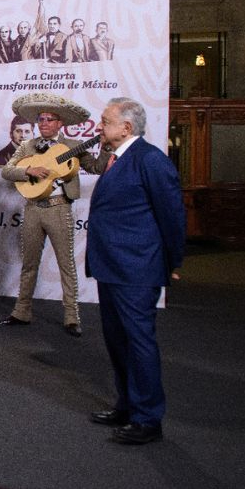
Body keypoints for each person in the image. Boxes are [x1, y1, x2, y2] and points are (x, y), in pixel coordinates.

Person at [87, 97, 184, 445]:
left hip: (137, 269)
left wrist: (173, 261)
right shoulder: (117, 158)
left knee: (139, 341)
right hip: (112, 267)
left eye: (105, 120)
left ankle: (148, 418)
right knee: (117, 341)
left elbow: (171, 216)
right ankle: (127, 404)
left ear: (126, 127)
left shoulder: (151, 160)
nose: (100, 126)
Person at [0, 94, 109, 337]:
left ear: (60, 124)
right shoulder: (27, 146)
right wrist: (28, 170)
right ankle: (21, 311)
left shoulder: (71, 146)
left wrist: (106, 145)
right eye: (41, 119)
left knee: (66, 264)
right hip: (33, 209)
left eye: (50, 119)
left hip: (60, 208)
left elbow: (97, 168)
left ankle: (71, 317)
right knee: (29, 264)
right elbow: (7, 171)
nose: (44, 123)